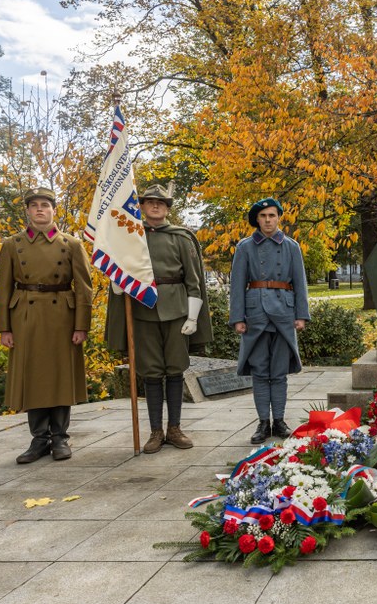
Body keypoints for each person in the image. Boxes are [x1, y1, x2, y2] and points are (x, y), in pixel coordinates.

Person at [105, 184, 213, 454]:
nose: (155, 206)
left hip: (177, 311)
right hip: (143, 311)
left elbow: (193, 280)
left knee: (175, 369)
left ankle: (174, 428)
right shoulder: (131, 236)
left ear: (168, 207)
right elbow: (120, 271)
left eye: (161, 202)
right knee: (151, 373)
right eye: (150, 202)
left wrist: (193, 316)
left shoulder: (181, 237)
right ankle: (156, 431)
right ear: (142, 206)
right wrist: (116, 282)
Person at [0, 187, 93, 463]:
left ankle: (60, 438)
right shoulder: (12, 244)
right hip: (25, 317)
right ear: (27, 210)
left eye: (45, 205)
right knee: (33, 376)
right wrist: (4, 327)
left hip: (62, 315)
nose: (40, 209)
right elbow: (3, 290)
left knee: (60, 376)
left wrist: (81, 325)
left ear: (53, 210)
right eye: (34, 205)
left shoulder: (71, 244)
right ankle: (39, 440)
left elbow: (84, 289)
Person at [229, 197, 310, 444]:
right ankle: (263, 422)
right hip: (256, 314)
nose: (267, 220)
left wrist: (301, 315)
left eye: (272, 215)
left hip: (284, 314)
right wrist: (238, 318)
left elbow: (300, 283)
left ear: (278, 217)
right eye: (263, 216)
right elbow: (237, 284)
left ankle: (280, 421)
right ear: (257, 219)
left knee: (279, 373)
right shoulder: (245, 247)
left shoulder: (291, 246)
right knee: (260, 372)